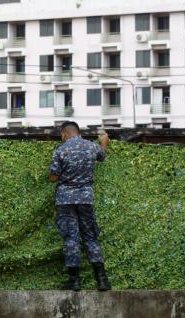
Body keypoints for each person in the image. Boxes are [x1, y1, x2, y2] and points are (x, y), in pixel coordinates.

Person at [48, 122, 111, 292]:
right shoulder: (91, 147)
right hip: (86, 198)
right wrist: (104, 141)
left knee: (71, 238)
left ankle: (74, 281)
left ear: (64, 134)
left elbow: (53, 177)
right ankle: (102, 280)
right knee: (90, 237)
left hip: (65, 200)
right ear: (79, 132)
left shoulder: (60, 150)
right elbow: (102, 155)